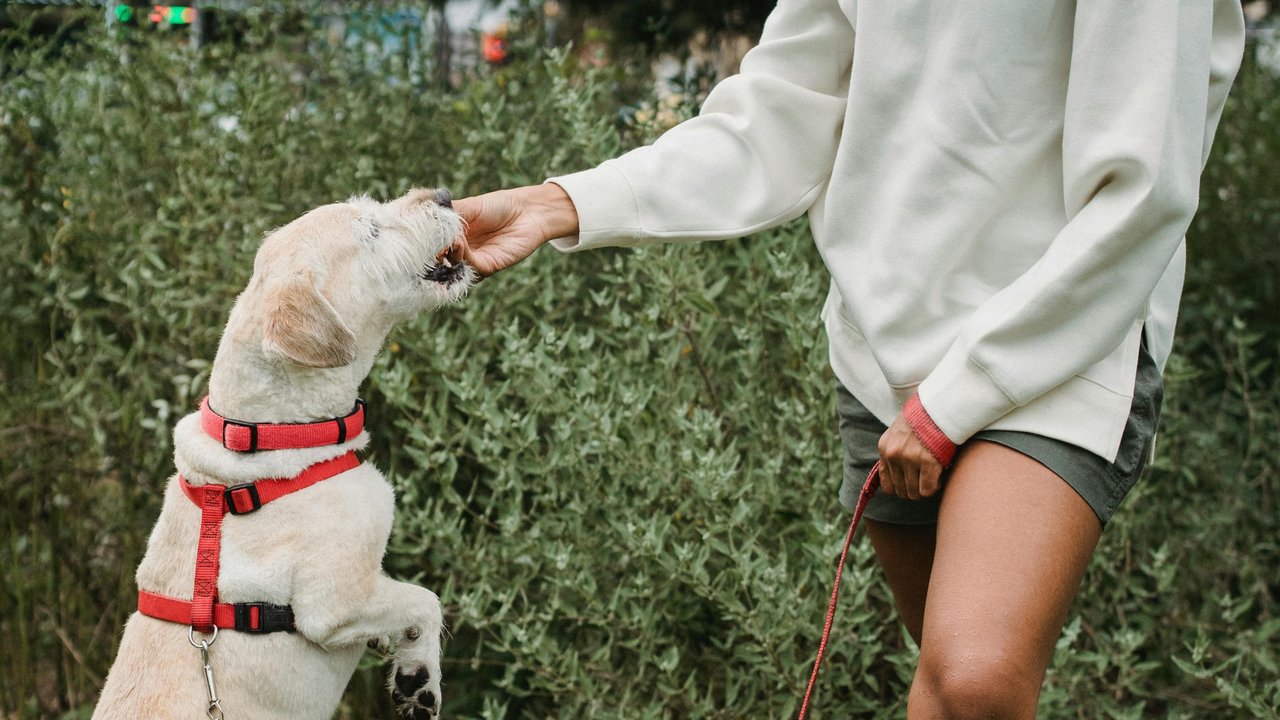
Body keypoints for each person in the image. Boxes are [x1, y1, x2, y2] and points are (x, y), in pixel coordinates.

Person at [453, 1, 1246, 716]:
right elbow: (776, 121)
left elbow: (1146, 192)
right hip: (885, 356)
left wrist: (962, 397)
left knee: (977, 681)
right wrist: (562, 203)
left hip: (1059, 338)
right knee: (944, 683)